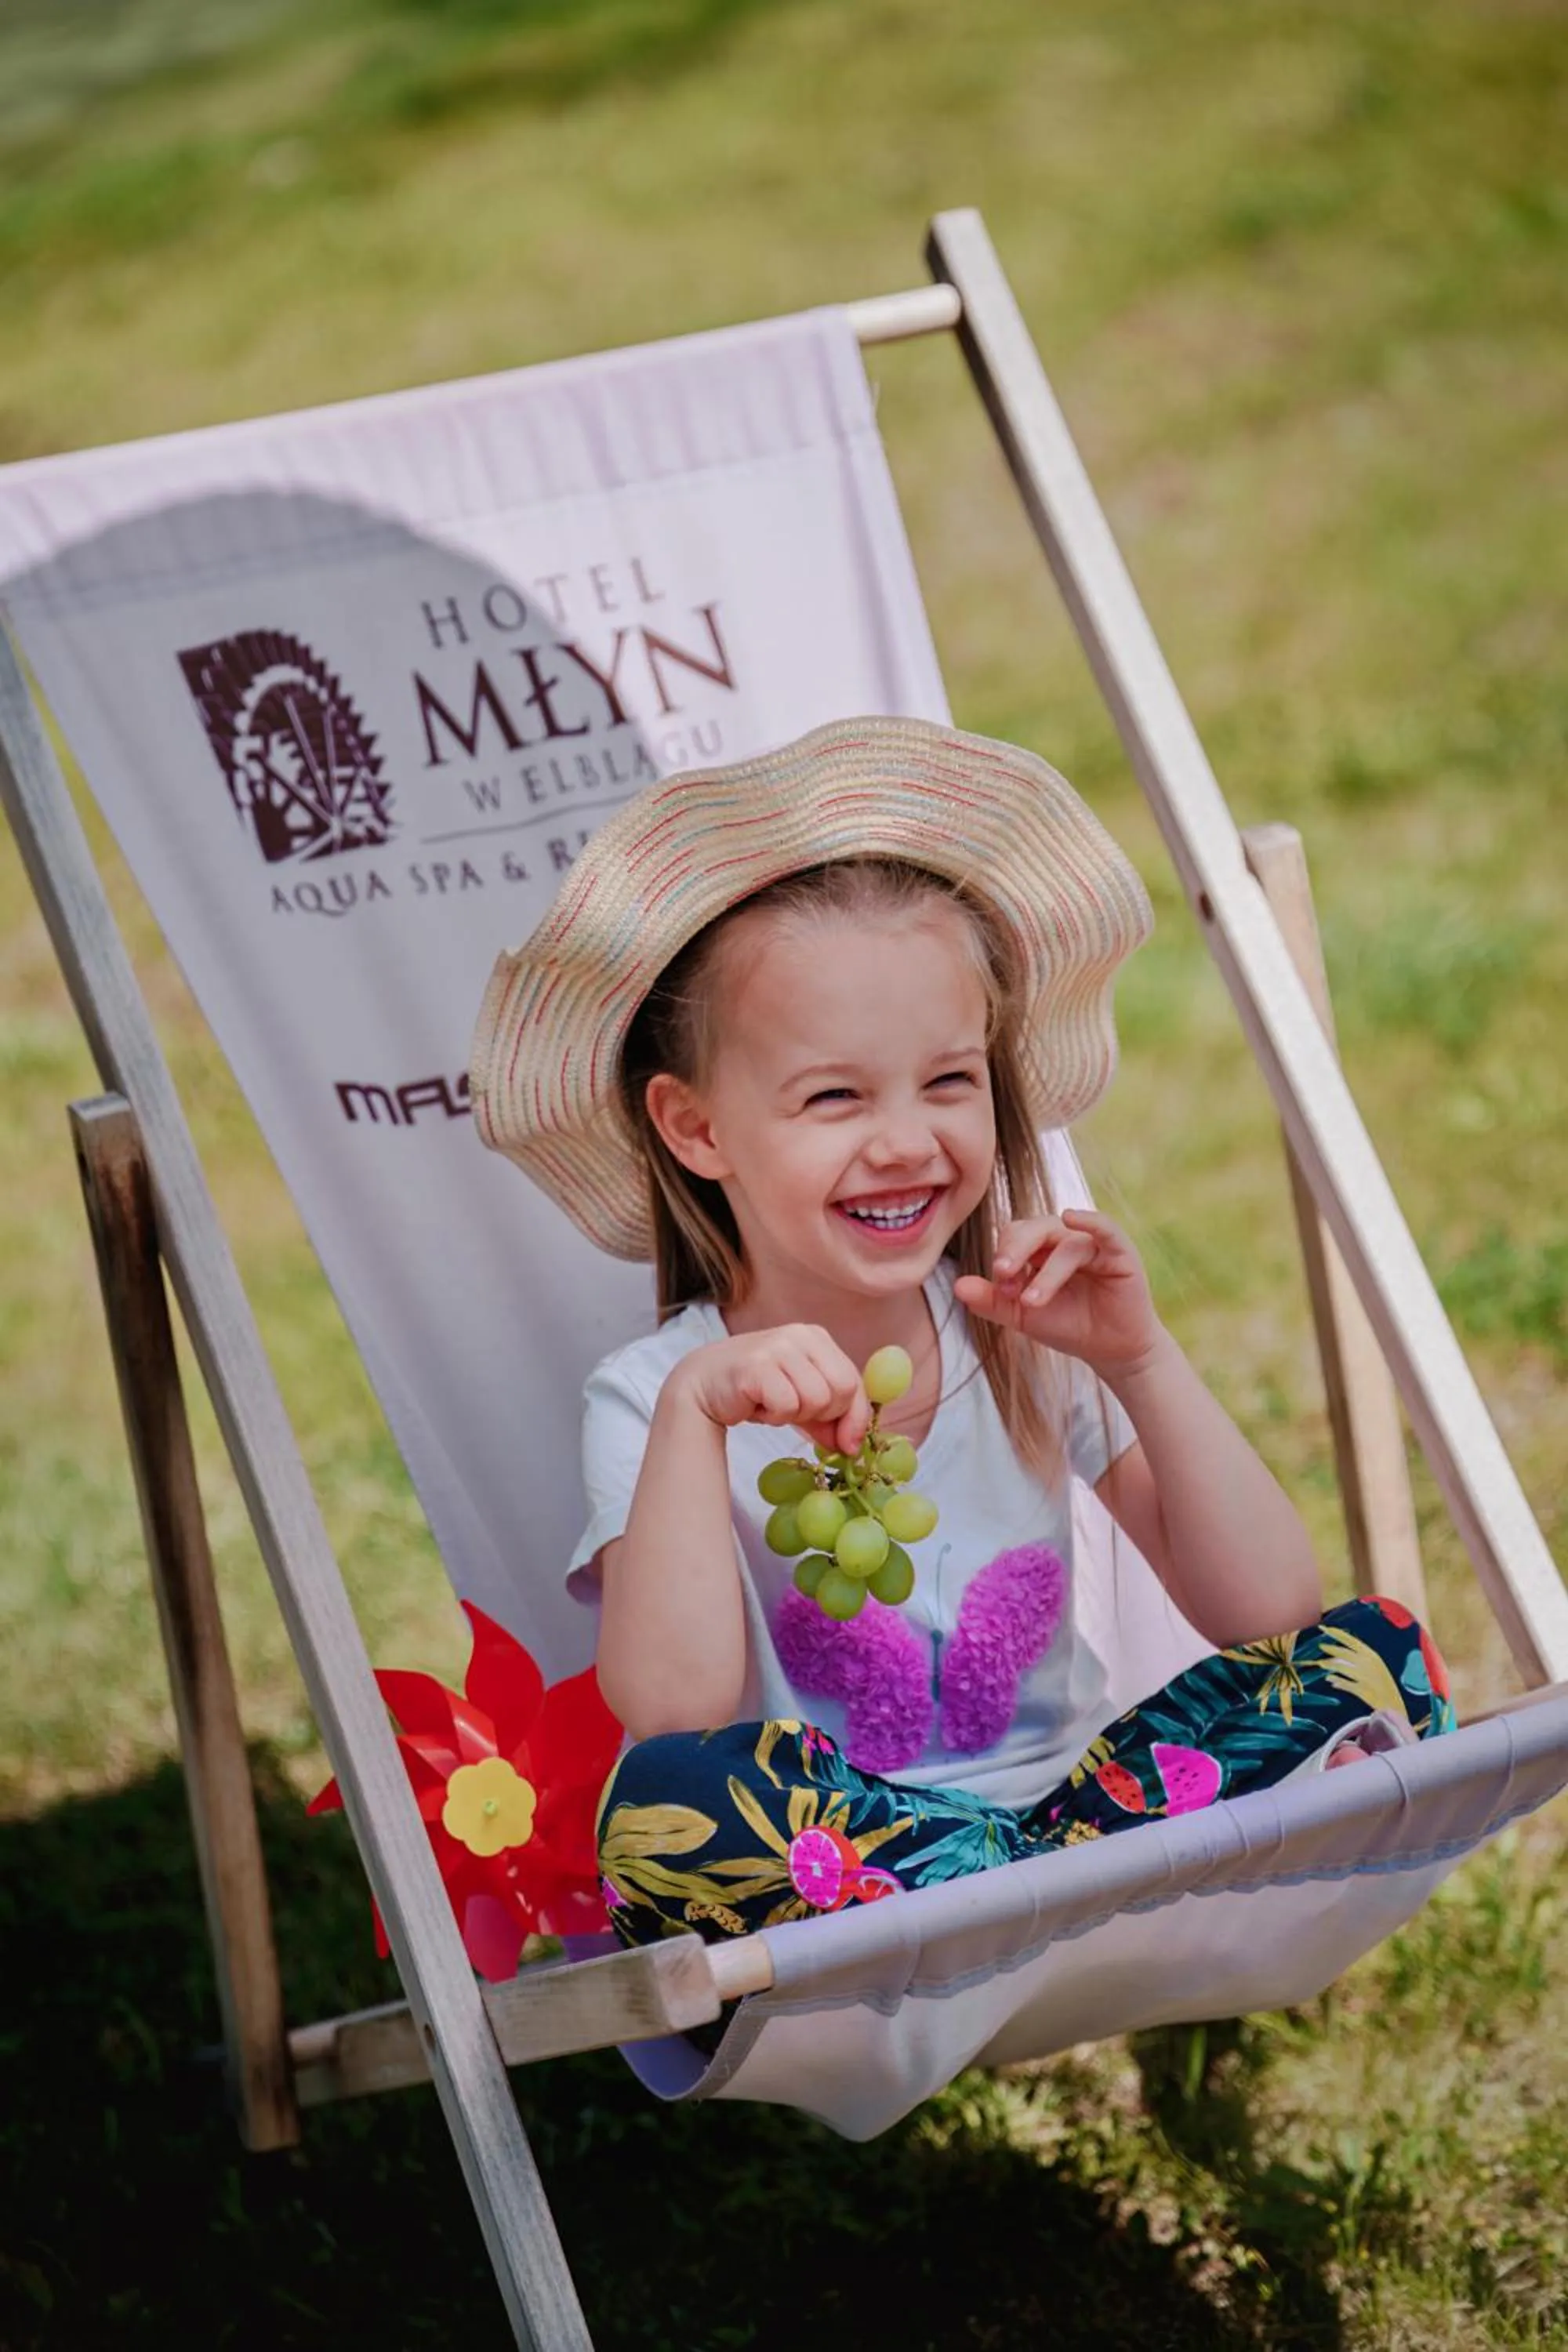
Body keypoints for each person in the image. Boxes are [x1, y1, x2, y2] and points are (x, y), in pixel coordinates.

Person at [469, 715, 1454, 1955]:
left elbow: (1269, 1607)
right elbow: (675, 1711)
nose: (904, 1140)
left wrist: (1140, 1361)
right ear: (696, 1129)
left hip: (1096, 1820)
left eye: (948, 1082)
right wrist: (694, 1421)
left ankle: (1034, 1882)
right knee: (670, 1812)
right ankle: (957, 1889)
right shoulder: (658, 1391)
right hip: (853, 1857)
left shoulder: (1021, 1327)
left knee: (1372, 1657)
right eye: (834, 1096)